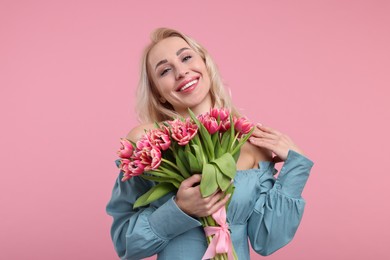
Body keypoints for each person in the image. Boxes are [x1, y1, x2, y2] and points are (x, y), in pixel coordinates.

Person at [106, 28, 314, 260]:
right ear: (159, 93)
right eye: (165, 70)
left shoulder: (252, 142)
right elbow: (125, 243)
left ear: (205, 63)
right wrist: (179, 210)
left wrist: (295, 167)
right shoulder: (148, 142)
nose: (181, 71)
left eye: (186, 57)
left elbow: (266, 240)